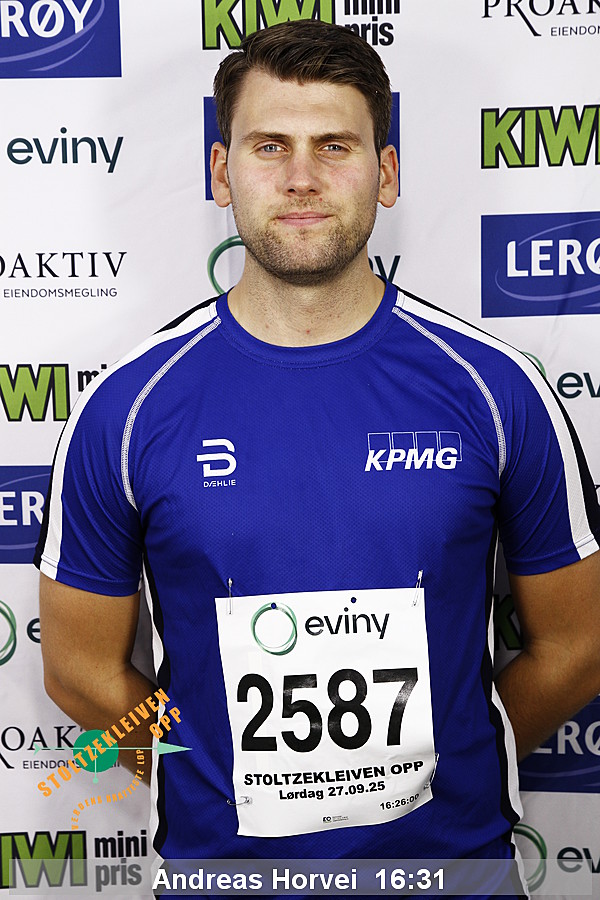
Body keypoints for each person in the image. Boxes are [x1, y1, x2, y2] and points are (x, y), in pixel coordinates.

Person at [36, 18, 600, 897]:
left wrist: (451, 758)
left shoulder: (497, 390)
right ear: (221, 172)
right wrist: (213, 771)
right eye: (270, 146)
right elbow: (78, 671)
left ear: (387, 171)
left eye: (335, 145)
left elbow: (578, 646)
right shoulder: (127, 408)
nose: (301, 177)